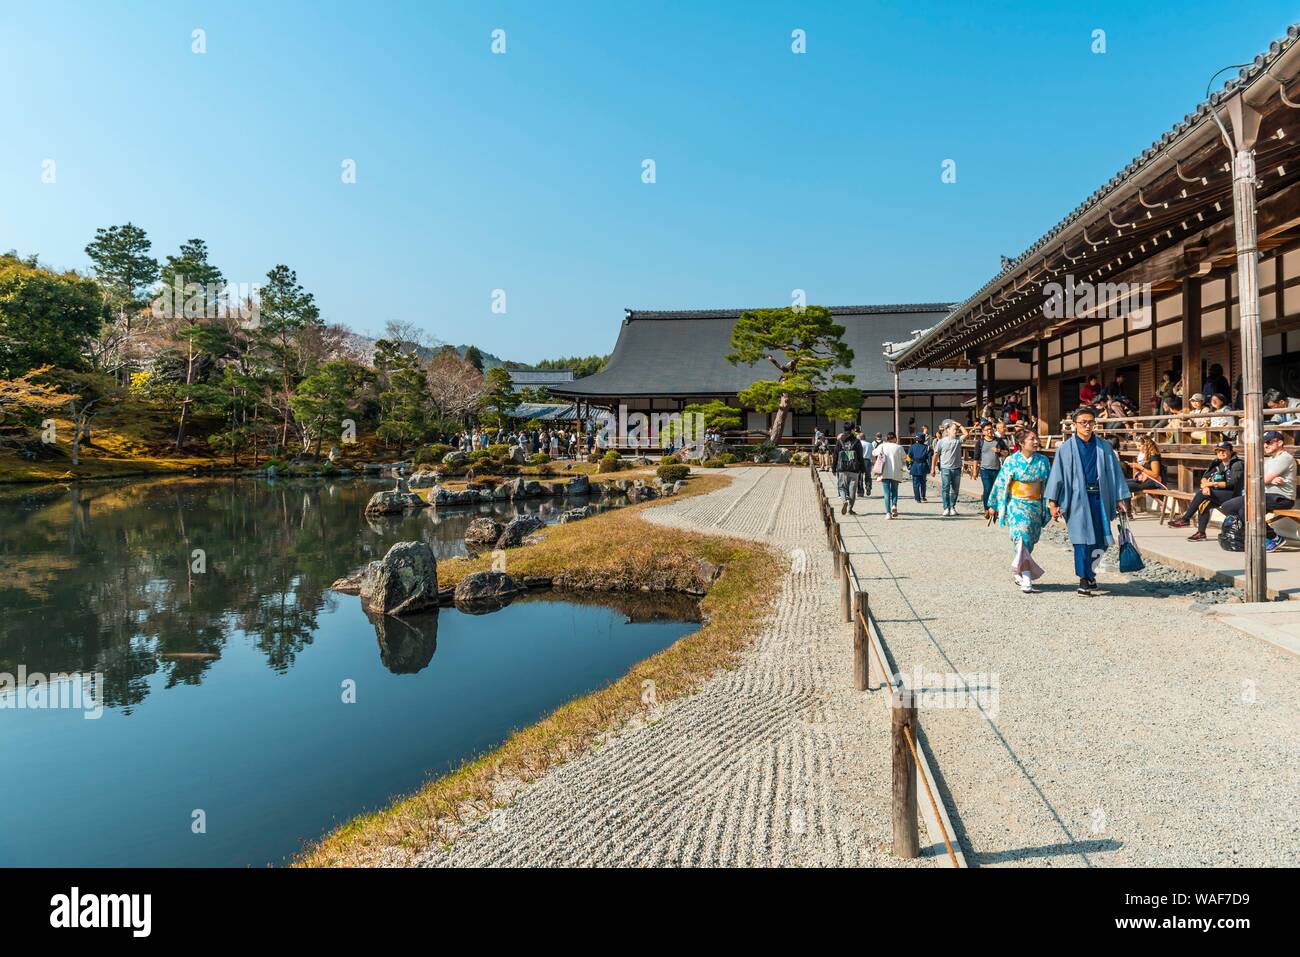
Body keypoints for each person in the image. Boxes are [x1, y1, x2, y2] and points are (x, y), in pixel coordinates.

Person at [1044, 406, 1131, 596]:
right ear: (1074, 424)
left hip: (1100, 497)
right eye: (1083, 422)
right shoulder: (1065, 449)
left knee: (1101, 539)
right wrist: (1052, 502)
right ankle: (1083, 579)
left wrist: (1120, 498)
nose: (1087, 426)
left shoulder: (1104, 447)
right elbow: (1056, 476)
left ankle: (1091, 573)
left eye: (1091, 422)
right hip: (1076, 499)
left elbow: (1115, 474)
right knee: (1081, 540)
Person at [987, 427, 1053, 593]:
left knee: (1029, 540)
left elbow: (1050, 484)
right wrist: (993, 505)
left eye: (1036, 438)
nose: (1036, 442)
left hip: (1035, 504)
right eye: (1032, 439)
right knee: (1021, 538)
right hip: (1017, 505)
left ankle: (1018, 569)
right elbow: (1001, 483)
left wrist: (1053, 503)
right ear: (1021, 443)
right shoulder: (1011, 461)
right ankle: (1026, 576)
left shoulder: (1043, 461)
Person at [1220, 430, 1296, 552]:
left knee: (1247, 508)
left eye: (1269, 442)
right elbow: (1255, 478)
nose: (1265, 445)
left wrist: (1266, 480)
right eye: (1264, 442)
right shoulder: (1270, 460)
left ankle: (1272, 538)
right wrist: (1269, 480)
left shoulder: (1285, 458)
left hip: (1282, 498)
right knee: (1227, 506)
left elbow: (1261, 480)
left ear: (1280, 442)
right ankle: (1251, 535)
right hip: (1264, 495)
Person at [1169, 441, 1243, 540]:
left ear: (1230, 451)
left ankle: (1185, 519)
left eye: (1223, 450)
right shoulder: (1217, 462)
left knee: (1201, 495)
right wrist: (1205, 487)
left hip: (1235, 495)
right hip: (1219, 493)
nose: (1221, 453)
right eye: (1218, 451)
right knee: (1204, 504)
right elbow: (1205, 477)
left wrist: (1211, 484)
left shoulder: (1237, 464)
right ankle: (1201, 533)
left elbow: (1233, 483)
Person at [931, 421, 966, 516]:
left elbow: (966, 434)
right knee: (945, 489)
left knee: (955, 489)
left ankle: (952, 507)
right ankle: (946, 507)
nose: (956, 431)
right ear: (948, 430)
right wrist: (932, 468)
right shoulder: (941, 441)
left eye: (957, 430)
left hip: (957, 468)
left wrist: (959, 425)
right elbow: (935, 455)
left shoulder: (958, 440)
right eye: (954, 429)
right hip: (945, 468)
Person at [973, 423, 1009, 511]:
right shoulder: (980, 442)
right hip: (984, 470)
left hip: (996, 469)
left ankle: (994, 509)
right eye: (987, 430)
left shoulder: (999, 441)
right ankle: (987, 509)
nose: (990, 431)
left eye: (991, 429)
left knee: (996, 490)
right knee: (987, 488)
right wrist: (974, 471)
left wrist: (999, 451)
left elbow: (1007, 453)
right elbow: (976, 458)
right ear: (983, 432)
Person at [875, 432, 907, 519]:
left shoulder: (882, 446)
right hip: (896, 472)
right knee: (895, 491)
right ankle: (894, 505)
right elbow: (904, 458)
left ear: (887, 438)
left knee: (886, 493)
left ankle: (888, 513)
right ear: (895, 438)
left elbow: (874, 453)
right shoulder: (899, 447)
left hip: (885, 472)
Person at [833, 426, 864, 515]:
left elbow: (835, 455)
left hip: (842, 468)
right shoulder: (857, 441)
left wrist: (833, 467)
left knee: (842, 487)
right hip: (854, 469)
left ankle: (844, 500)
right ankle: (850, 509)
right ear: (852, 430)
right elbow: (860, 456)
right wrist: (862, 468)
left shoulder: (840, 441)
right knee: (852, 489)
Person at [907, 433, 931, 502]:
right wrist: (929, 467)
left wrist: (908, 465)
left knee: (915, 483)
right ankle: (923, 496)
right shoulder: (927, 447)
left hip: (914, 466)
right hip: (923, 466)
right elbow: (929, 459)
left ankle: (917, 498)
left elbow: (908, 457)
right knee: (923, 483)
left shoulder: (912, 447)